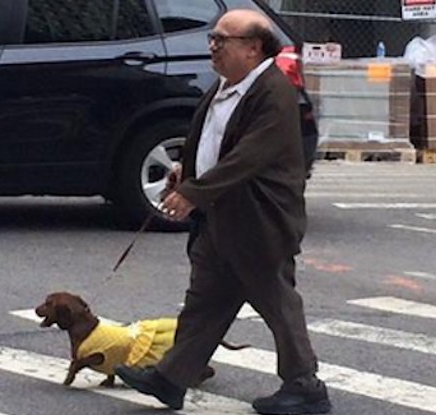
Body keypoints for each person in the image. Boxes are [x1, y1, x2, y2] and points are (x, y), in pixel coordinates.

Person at [114, 9, 331, 415]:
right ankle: (172, 378)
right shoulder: (226, 86)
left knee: (276, 301)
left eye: (221, 40)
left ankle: (305, 386)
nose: (212, 46)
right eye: (212, 39)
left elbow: (248, 157)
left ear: (252, 48)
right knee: (206, 300)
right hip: (222, 215)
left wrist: (195, 192)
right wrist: (186, 170)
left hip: (260, 220)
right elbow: (214, 140)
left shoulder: (273, 92)